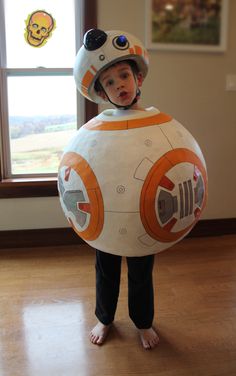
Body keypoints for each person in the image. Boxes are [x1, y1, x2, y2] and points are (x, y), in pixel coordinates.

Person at [74, 29, 160, 349]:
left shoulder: (157, 124)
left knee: (141, 271)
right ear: (102, 93)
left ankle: (143, 322)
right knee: (105, 269)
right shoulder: (101, 129)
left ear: (138, 77)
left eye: (124, 75)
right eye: (109, 82)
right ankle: (105, 317)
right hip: (108, 211)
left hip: (141, 211)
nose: (119, 85)